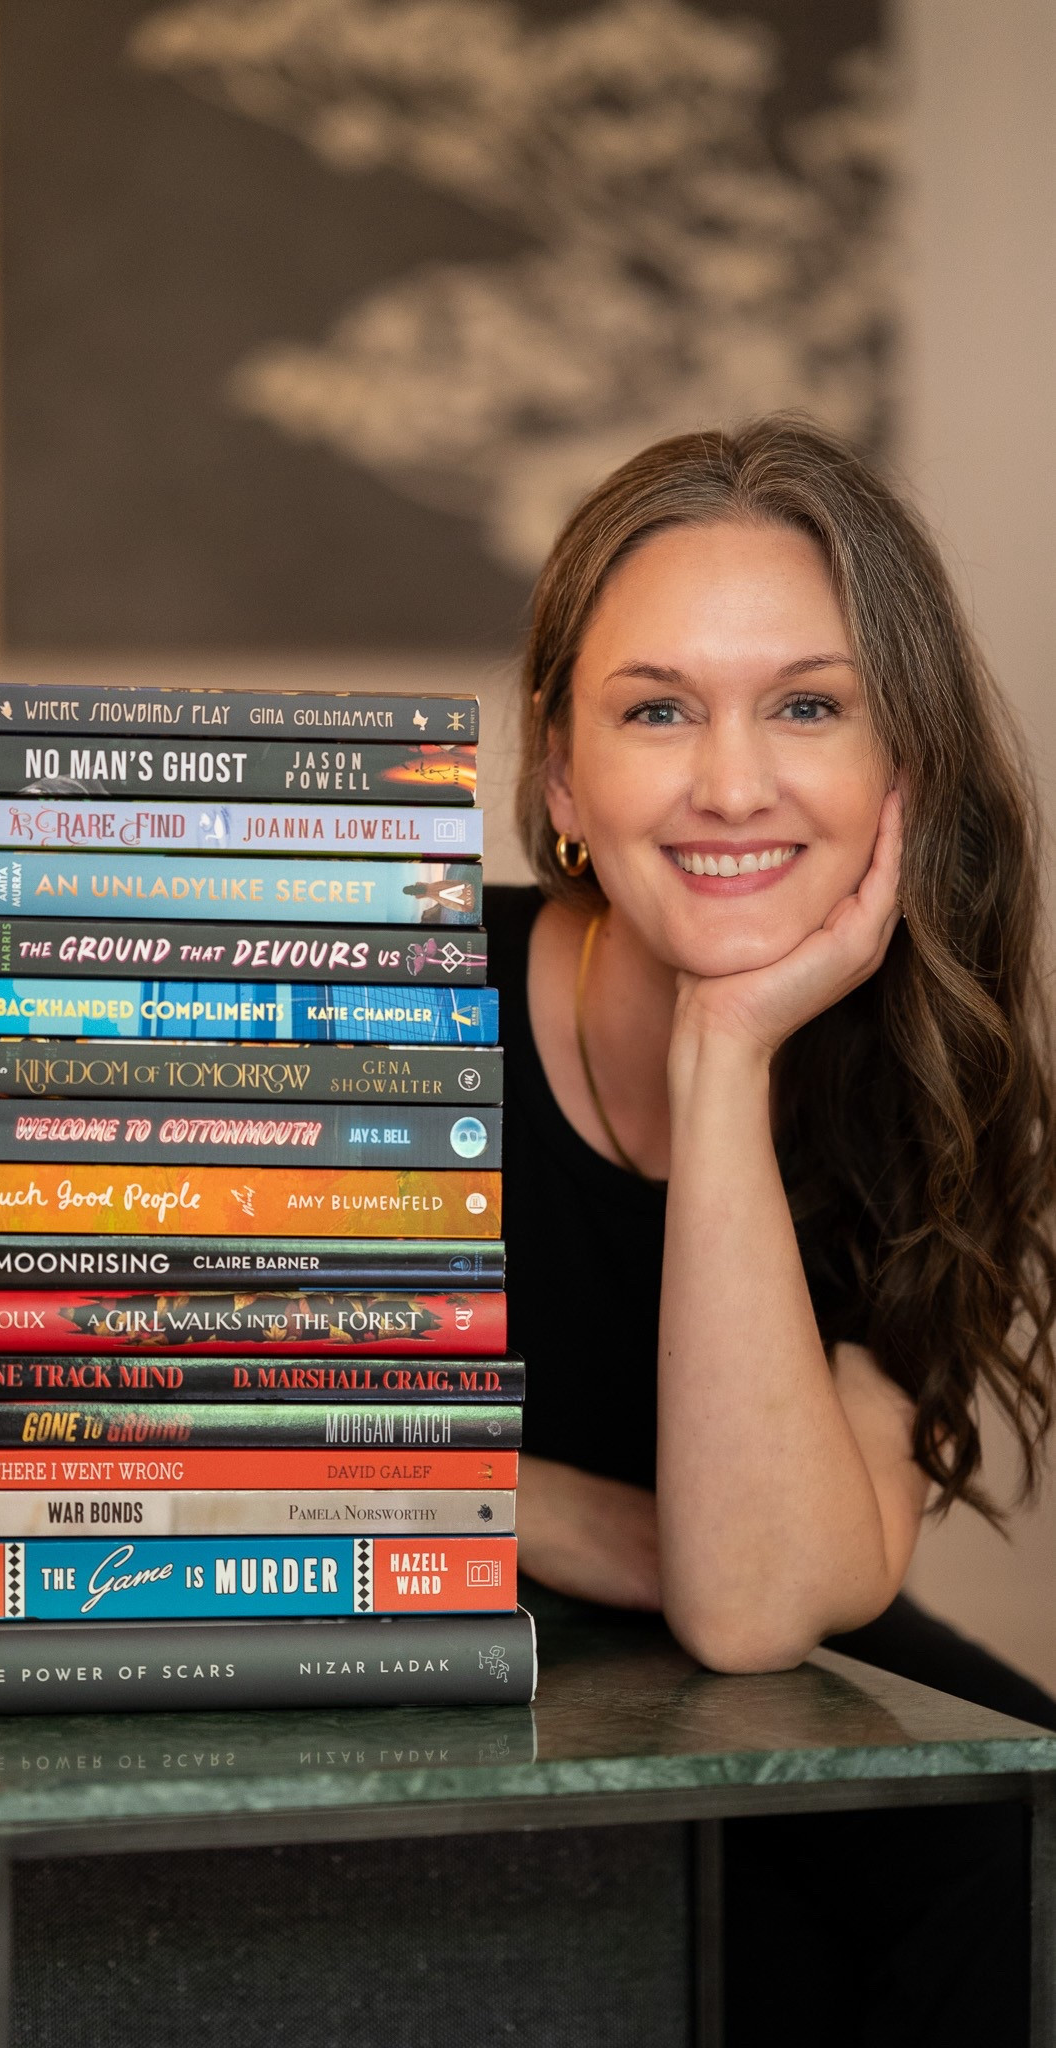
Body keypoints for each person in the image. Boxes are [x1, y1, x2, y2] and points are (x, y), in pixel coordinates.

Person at [495, 416, 1056, 2044]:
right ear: (560, 777)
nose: (732, 782)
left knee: (1010, 1868)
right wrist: (597, 1530)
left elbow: (755, 1615)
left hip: (783, 1720)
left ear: (903, 766)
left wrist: (729, 1052)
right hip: (432, 1700)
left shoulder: (926, 1087)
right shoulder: (371, 1009)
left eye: (808, 706)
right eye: (657, 710)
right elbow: (33, 1441)